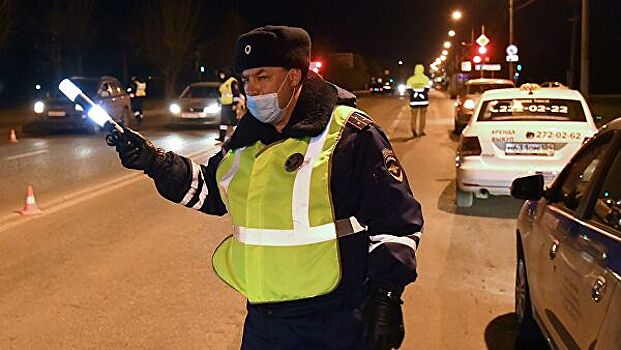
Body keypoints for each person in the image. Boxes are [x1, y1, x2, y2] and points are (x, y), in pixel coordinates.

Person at [107, 25, 423, 350]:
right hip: (263, 320)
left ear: (295, 76)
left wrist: (387, 296)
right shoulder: (245, 140)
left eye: (263, 77)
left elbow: (396, 222)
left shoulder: (349, 134)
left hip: (334, 319)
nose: (253, 90)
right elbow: (211, 192)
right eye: (246, 80)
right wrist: (155, 162)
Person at [216, 66, 242, 142]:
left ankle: (239, 134)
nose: (221, 75)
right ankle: (221, 137)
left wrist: (235, 104)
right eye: (220, 74)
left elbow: (236, 93)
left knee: (233, 121)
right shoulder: (223, 82)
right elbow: (222, 94)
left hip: (231, 105)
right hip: (224, 105)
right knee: (223, 122)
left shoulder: (232, 81)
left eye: (222, 74)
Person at [405, 64, 430, 137]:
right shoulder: (425, 79)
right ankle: (421, 131)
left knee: (414, 116)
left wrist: (415, 93)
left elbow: (409, 90)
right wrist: (421, 93)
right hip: (423, 101)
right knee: (422, 117)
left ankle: (413, 129)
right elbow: (427, 89)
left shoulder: (411, 79)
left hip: (414, 101)